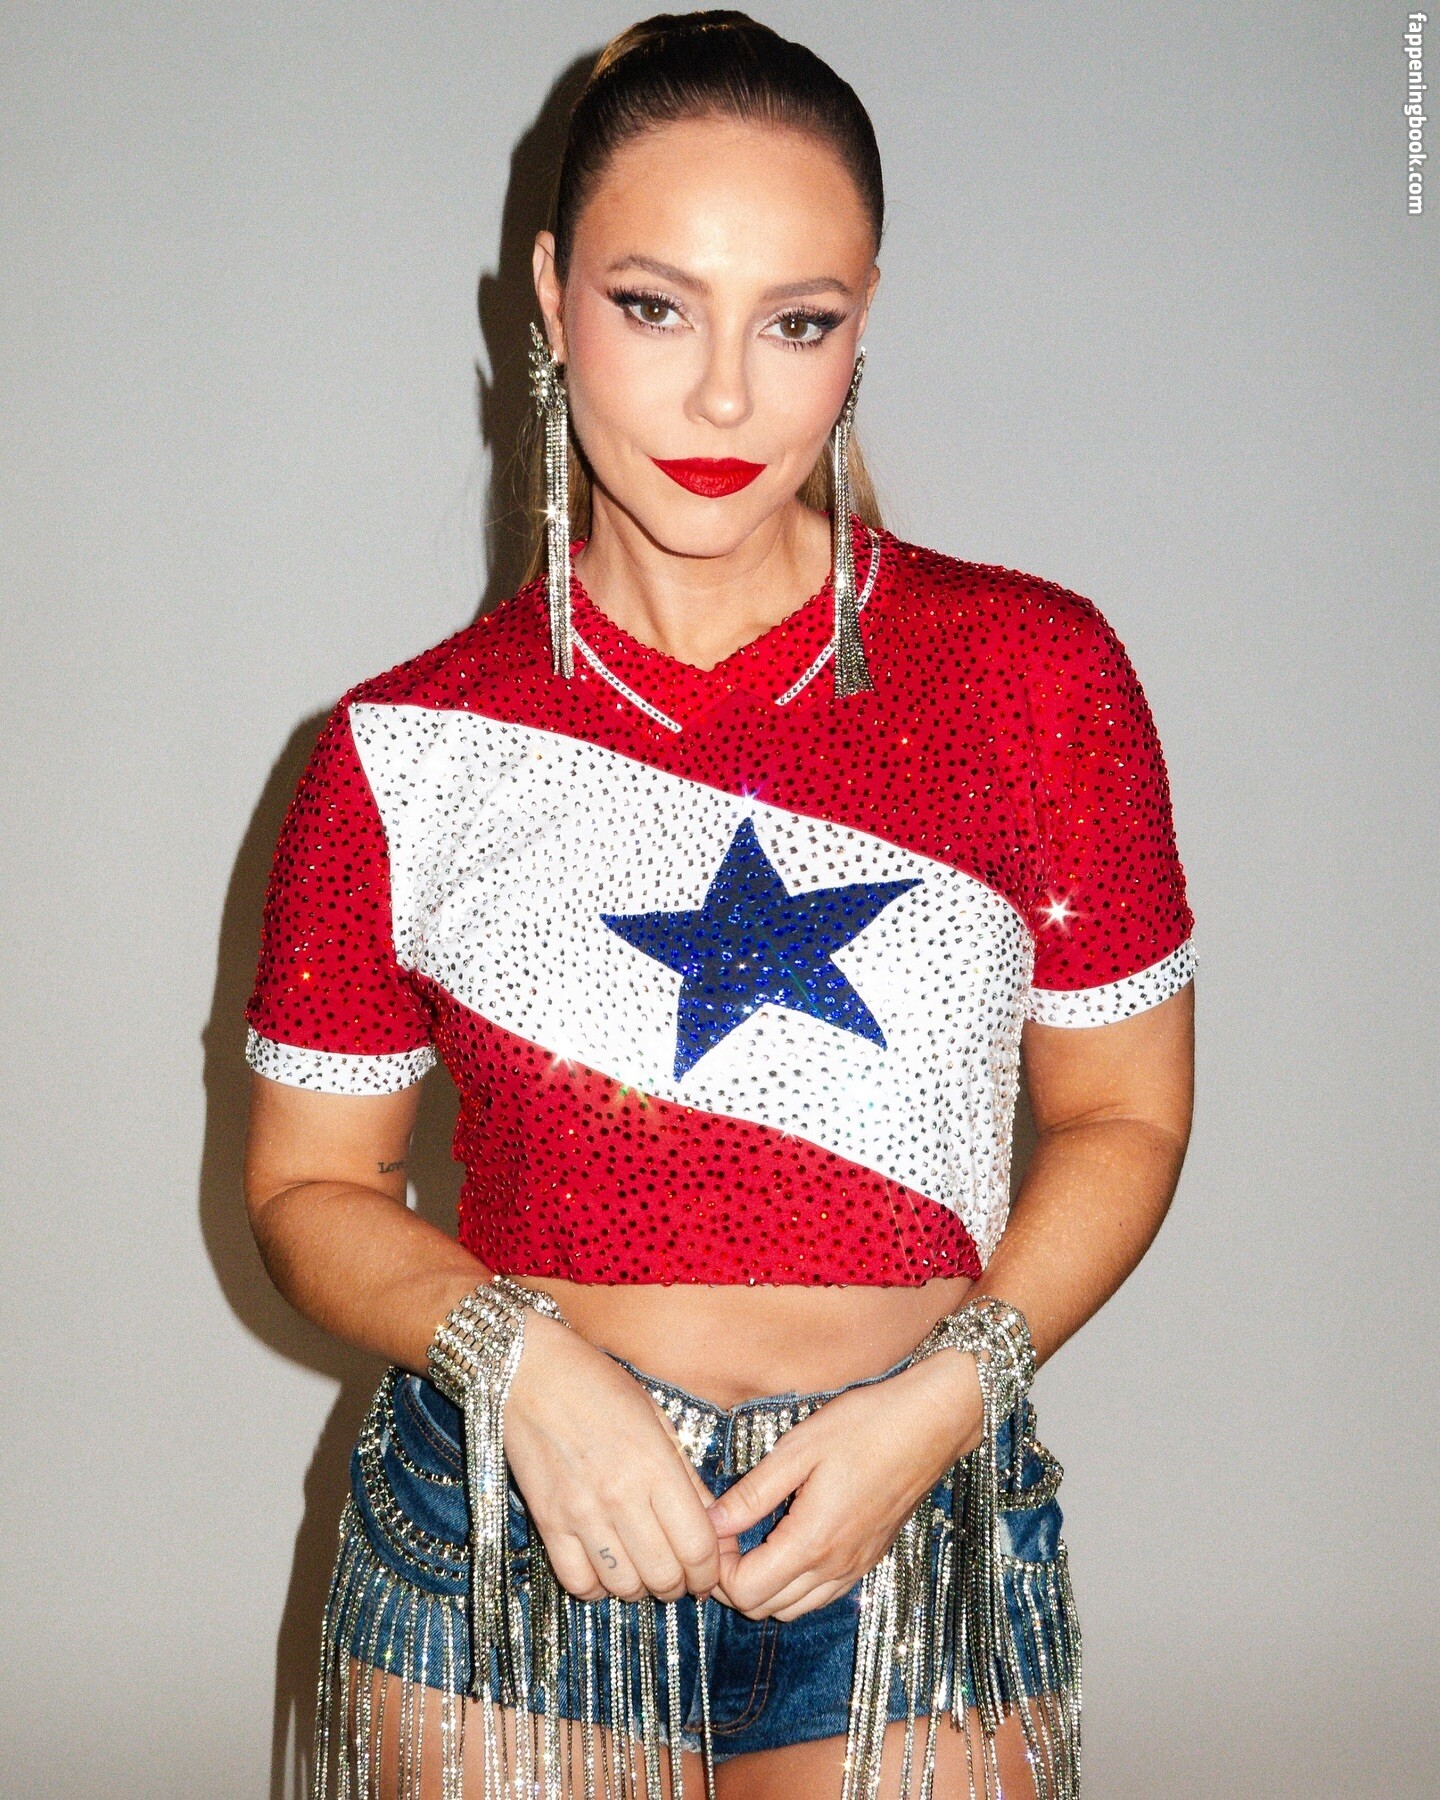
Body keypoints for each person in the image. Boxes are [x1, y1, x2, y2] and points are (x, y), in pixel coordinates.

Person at [242, 13, 1195, 1799]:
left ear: (865, 318)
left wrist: (946, 1400)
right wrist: (518, 1364)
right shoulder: (401, 752)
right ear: (550, 294)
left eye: (798, 321)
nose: (727, 400)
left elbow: (1125, 1116)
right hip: (508, 1532)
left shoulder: (1033, 677)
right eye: (655, 306)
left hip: (917, 1520)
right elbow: (307, 1188)